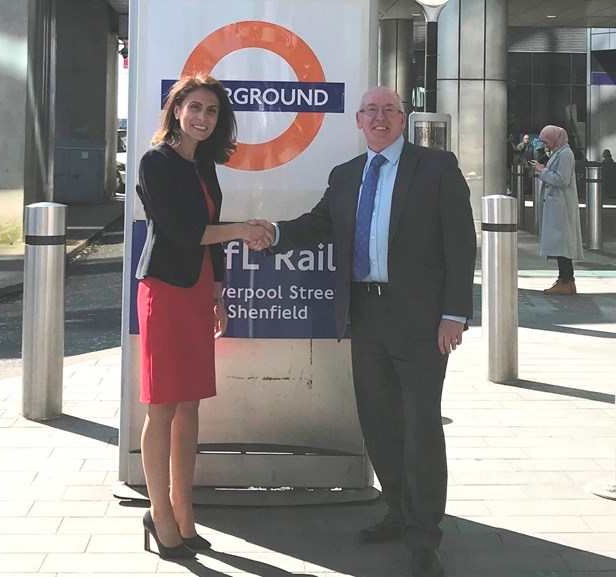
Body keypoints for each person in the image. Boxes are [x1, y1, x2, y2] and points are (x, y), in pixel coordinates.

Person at [250, 86, 476, 577]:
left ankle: (424, 534)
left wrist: (454, 315)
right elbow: (318, 225)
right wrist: (277, 233)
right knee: (379, 423)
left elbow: (461, 243)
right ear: (358, 120)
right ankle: (396, 510)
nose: (379, 118)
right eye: (371, 111)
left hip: (420, 321)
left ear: (403, 118)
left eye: (389, 111)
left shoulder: (436, 168)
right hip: (364, 316)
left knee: (420, 427)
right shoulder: (347, 175)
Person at [135, 75, 272, 559]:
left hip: (196, 293)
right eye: (194, 107)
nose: (202, 117)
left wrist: (217, 291)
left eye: (211, 111)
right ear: (176, 111)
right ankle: (159, 514)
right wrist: (244, 230)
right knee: (163, 406)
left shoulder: (207, 165)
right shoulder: (156, 162)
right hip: (165, 291)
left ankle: (183, 509)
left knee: (191, 404)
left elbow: (210, 234)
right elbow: (182, 231)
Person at [531, 125, 584, 295]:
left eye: (546, 140)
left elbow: (562, 179)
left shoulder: (565, 154)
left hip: (561, 205)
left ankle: (567, 280)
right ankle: (564, 278)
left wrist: (542, 170)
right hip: (557, 205)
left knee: (563, 244)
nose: (545, 144)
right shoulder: (559, 152)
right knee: (560, 243)